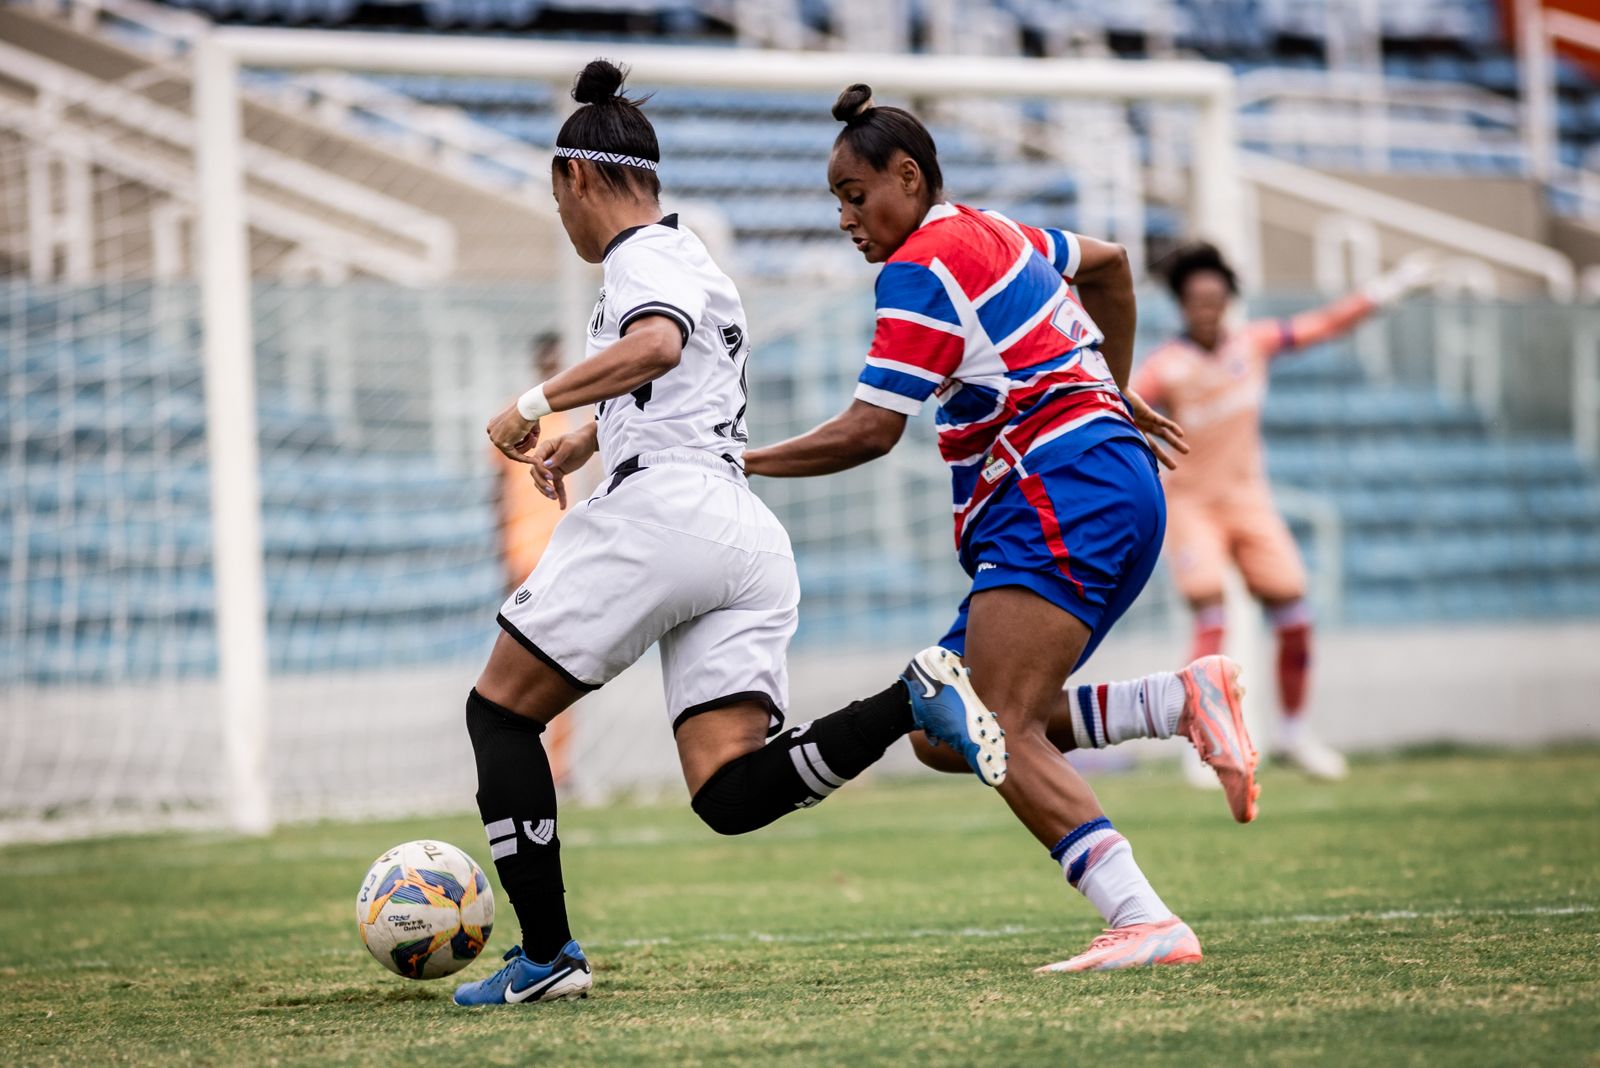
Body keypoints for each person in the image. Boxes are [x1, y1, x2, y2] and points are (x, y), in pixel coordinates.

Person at [452, 60, 1006, 1008]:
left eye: (559, 203)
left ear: (578, 178)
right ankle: (910, 700)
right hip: (739, 531)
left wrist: (530, 404)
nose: (565, 222)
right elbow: (679, 377)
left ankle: (547, 956)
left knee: (500, 714)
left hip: (664, 516)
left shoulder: (639, 260)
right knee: (728, 791)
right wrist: (589, 431)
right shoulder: (692, 254)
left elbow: (660, 345)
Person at [742, 84, 1260, 974]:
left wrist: (734, 460)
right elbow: (1112, 269)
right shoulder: (999, 230)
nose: (844, 219)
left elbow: (871, 430)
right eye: (836, 202)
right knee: (942, 731)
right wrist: (1103, 385)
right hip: (1101, 479)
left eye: (855, 197)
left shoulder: (919, 267)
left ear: (907, 177)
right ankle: (1175, 702)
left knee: (989, 719)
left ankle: (1143, 918)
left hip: (1063, 488)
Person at [1129, 242, 1436, 781]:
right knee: (1210, 612)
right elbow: (1121, 399)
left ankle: (1294, 733)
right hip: (1192, 505)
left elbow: (1323, 325)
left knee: (1295, 611)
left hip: (1250, 501)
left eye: (1217, 298)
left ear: (1228, 301)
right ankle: (1199, 739)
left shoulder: (1253, 344)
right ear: (1182, 305)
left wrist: (1388, 290)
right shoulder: (1166, 368)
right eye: (1198, 300)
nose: (1208, 309)